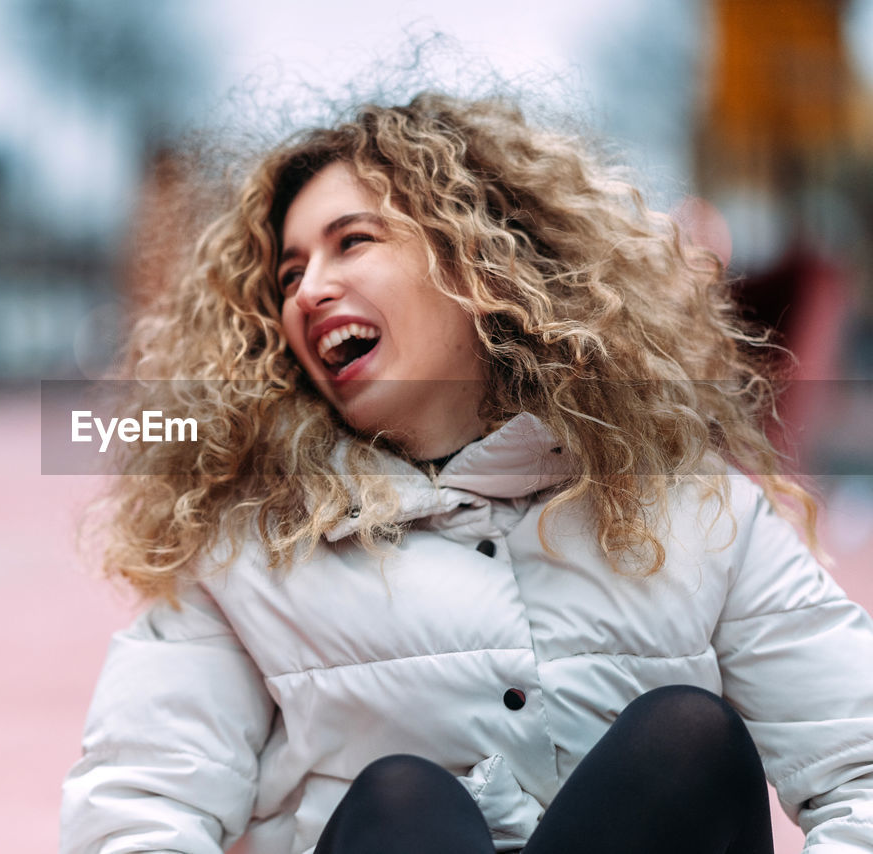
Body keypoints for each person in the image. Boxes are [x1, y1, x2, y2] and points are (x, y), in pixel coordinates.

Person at [60, 92, 873, 853]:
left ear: (480, 261)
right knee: (405, 802)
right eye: (288, 274)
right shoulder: (245, 552)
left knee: (687, 741)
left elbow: (862, 771)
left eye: (353, 241)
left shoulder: (704, 515)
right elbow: (140, 810)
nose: (309, 289)